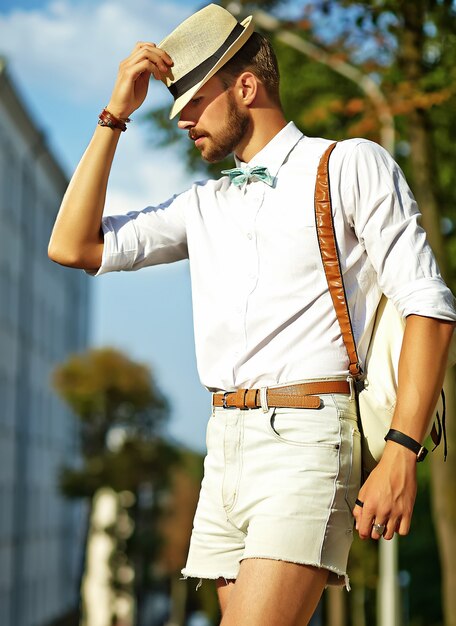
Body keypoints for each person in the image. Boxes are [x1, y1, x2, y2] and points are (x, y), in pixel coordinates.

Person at [48, 4, 456, 625]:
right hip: (224, 447)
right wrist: (114, 117)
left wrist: (402, 450)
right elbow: (73, 247)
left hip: (309, 438)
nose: (182, 117)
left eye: (192, 99)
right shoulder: (203, 205)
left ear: (246, 85)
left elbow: (429, 304)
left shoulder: (348, 165)